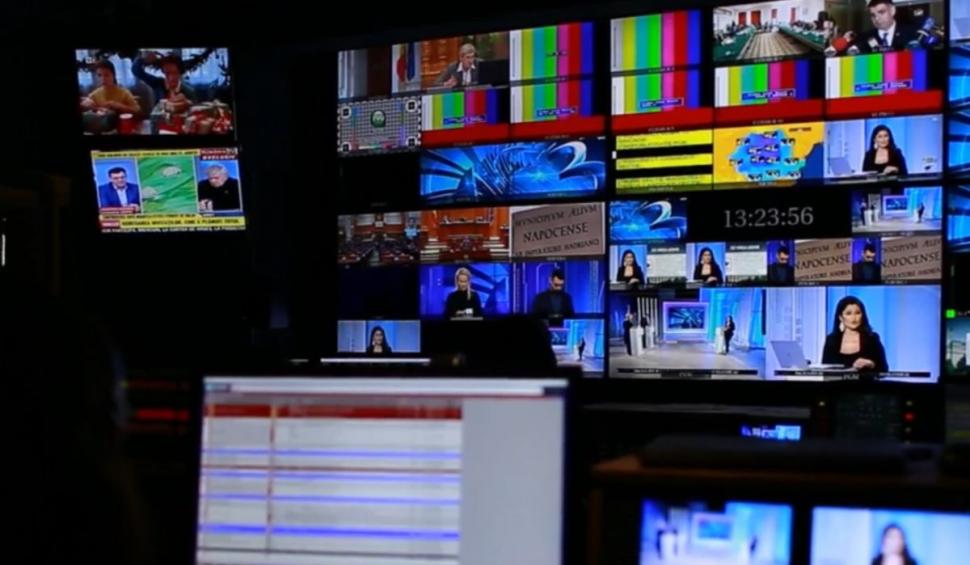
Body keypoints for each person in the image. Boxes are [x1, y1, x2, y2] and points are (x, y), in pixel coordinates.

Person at [821, 296, 889, 372]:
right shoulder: (831, 340)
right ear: (840, 317)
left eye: (858, 313)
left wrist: (870, 364)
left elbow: (884, 369)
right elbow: (825, 370)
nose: (854, 318)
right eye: (848, 313)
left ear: (863, 315)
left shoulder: (872, 338)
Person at [853, 0, 918, 53]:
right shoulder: (863, 38)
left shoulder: (912, 34)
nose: (877, 18)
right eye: (873, 15)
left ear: (892, 11)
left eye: (881, 12)